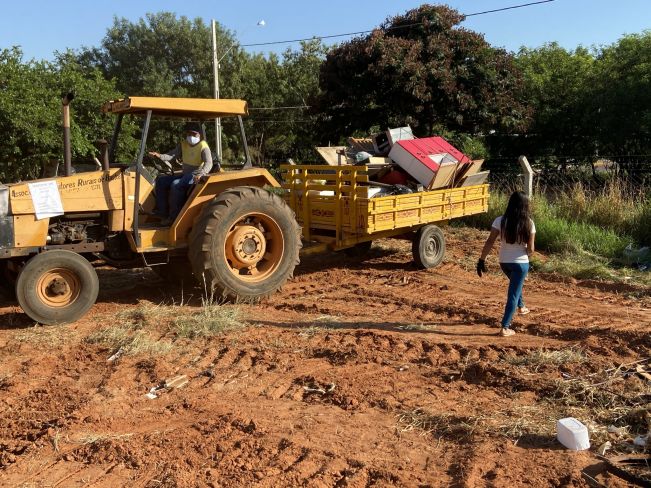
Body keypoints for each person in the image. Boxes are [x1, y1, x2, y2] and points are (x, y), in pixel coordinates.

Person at [477, 191, 536, 337]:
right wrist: (525, 254)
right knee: (513, 294)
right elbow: (531, 249)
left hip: (504, 262)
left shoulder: (500, 220)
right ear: (525, 206)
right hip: (521, 263)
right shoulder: (529, 223)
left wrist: (481, 259)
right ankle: (505, 327)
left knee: (516, 286)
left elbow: (490, 241)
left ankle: (521, 306)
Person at [149, 122, 215, 224]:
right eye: (189, 134)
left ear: (199, 135)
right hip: (185, 174)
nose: (191, 136)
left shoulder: (203, 147)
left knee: (176, 184)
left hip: (195, 176)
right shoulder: (184, 144)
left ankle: (174, 218)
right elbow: (172, 155)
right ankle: (162, 212)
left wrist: (201, 174)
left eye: (194, 134)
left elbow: (209, 163)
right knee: (161, 181)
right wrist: (159, 156)